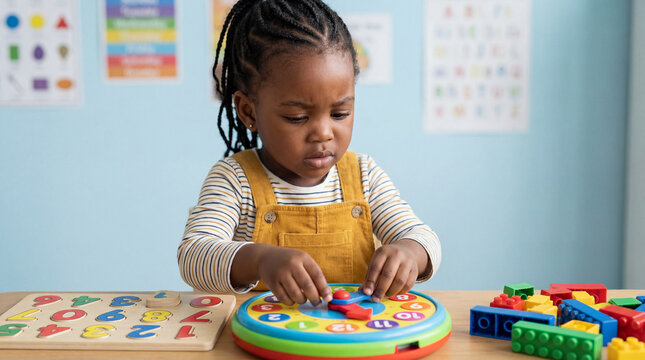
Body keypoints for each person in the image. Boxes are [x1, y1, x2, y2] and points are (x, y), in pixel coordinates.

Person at [177, 0, 441, 306]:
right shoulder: (234, 180)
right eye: (297, 118)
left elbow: (424, 238)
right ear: (249, 111)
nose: (323, 133)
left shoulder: (364, 176)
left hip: (355, 344)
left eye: (340, 113)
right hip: (264, 345)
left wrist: (410, 252)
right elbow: (193, 255)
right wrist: (260, 259)